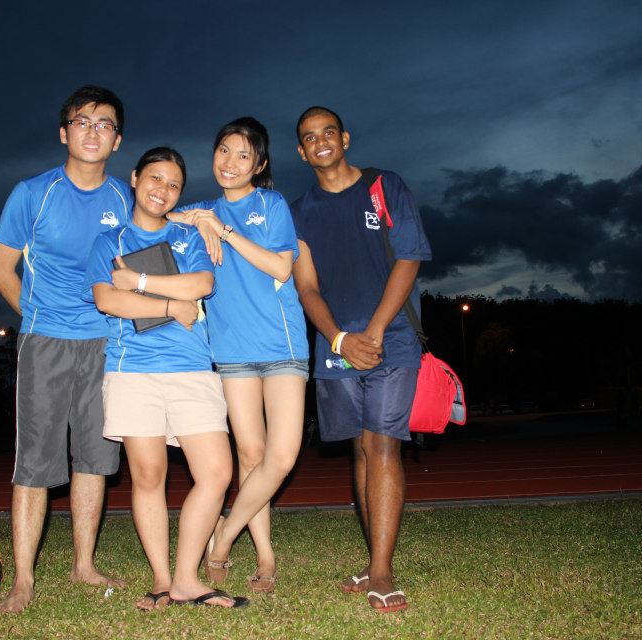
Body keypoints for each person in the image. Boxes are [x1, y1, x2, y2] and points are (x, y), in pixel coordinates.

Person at [85, 147, 248, 610]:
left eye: (174, 184)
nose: (163, 190)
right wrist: (171, 306)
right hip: (132, 370)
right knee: (149, 474)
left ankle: (186, 579)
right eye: (155, 178)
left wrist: (137, 281)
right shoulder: (110, 241)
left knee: (217, 472)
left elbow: (201, 285)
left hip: (191, 368)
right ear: (135, 178)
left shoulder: (187, 236)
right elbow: (107, 300)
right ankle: (162, 580)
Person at [0, 85, 130, 613]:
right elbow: (1, 270)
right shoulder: (32, 194)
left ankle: (83, 565)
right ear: (64, 132)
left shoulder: (125, 199)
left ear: (118, 140)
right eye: (82, 122)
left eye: (105, 124)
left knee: (94, 457)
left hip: (105, 342)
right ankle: (23, 581)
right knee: (35, 463)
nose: (93, 132)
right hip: (45, 340)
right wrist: (39, 317)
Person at [289, 106, 432, 614]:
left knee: (383, 444)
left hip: (391, 339)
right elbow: (306, 286)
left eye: (328, 132)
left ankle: (383, 570)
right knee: (361, 450)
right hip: (337, 347)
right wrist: (338, 339)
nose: (321, 141)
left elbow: (409, 259)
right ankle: (373, 560)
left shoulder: (384, 186)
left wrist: (372, 331)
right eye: (310, 137)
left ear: (345, 138)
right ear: (301, 151)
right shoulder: (299, 211)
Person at [169, 117, 309, 594]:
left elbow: (281, 267)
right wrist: (195, 218)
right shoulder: (203, 210)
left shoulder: (271, 205)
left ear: (259, 164)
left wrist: (224, 231)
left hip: (281, 344)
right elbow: (158, 216)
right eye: (224, 151)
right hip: (231, 349)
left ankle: (225, 534)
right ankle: (265, 554)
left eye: (243, 155)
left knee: (281, 456)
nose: (230, 162)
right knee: (250, 455)